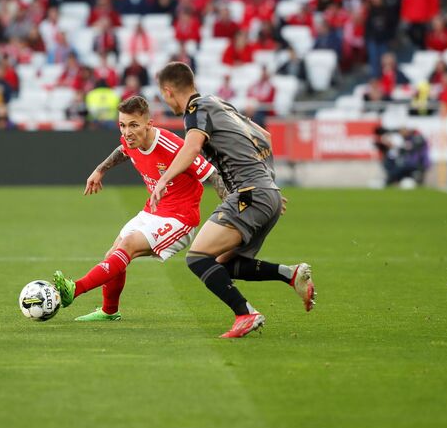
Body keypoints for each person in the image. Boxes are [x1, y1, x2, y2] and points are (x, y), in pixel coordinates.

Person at [152, 62, 314, 338]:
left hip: (249, 194)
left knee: (197, 257)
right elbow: (264, 137)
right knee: (222, 263)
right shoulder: (218, 102)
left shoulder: (195, 109)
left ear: (168, 92)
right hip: (264, 193)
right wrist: (269, 184)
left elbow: (191, 147)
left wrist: (164, 179)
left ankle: (246, 313)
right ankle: (290, 274)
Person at [49, 95, 227, 321]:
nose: (127, 132)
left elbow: (211, 174)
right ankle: (109, 311)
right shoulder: (130, 139)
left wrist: (233, 208)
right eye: (122, 125)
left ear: (149, 124)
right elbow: (122, 150)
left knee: (128, 245)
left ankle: (75, 289)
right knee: (113, 255)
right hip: (152, 211)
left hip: (180, 218)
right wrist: (100, 170)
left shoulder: (173, 146)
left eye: (133, 125)